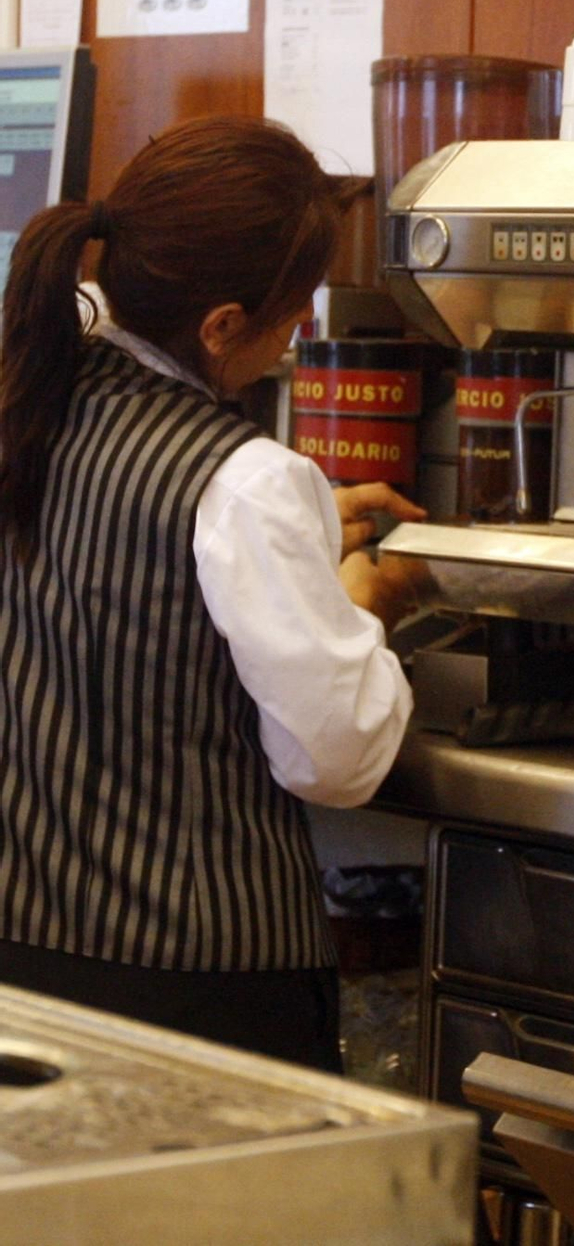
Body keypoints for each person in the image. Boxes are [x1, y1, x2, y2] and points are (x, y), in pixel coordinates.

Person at [0, 115, 429, 1072]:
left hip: (23, 972)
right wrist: (367, 598)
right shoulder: (246, 482)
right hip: (198, 992)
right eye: (294, 309)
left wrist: (301, 543)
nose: (299, 332)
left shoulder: (27, 401)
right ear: (222, 325)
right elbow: (337, 757)